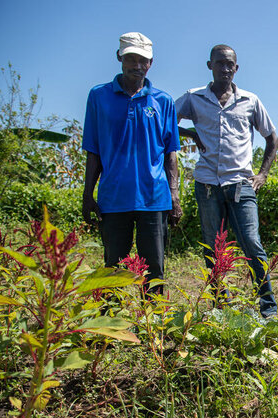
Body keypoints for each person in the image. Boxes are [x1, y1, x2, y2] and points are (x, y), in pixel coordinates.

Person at [175, 45, 278, 317]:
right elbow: (164, 122)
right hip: (207, 183)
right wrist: (188, 132)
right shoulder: (193, 97)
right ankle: (222, 305)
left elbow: (271, 137)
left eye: (229, 64)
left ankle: (268, 308)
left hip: (241, 184)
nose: (225, 69)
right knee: (213, 247)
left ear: (236, 68)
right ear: (210, 65)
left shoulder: (250, 100)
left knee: (251, 243)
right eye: (219, 63)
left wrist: (263, 173)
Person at [82, 32, 182, 294]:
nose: (138, 65)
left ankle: (154, 328)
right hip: (113, 197)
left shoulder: (163, 101)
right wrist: (87, 195)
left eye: (143, 60)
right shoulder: (98, 97)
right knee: (112, 268)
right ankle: (110, 327)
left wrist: (175, 195)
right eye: (132, 59)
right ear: (120, 58)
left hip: (154, 197)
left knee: (154, 269)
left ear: (151, 63)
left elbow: (171, 153)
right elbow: (93, 151)